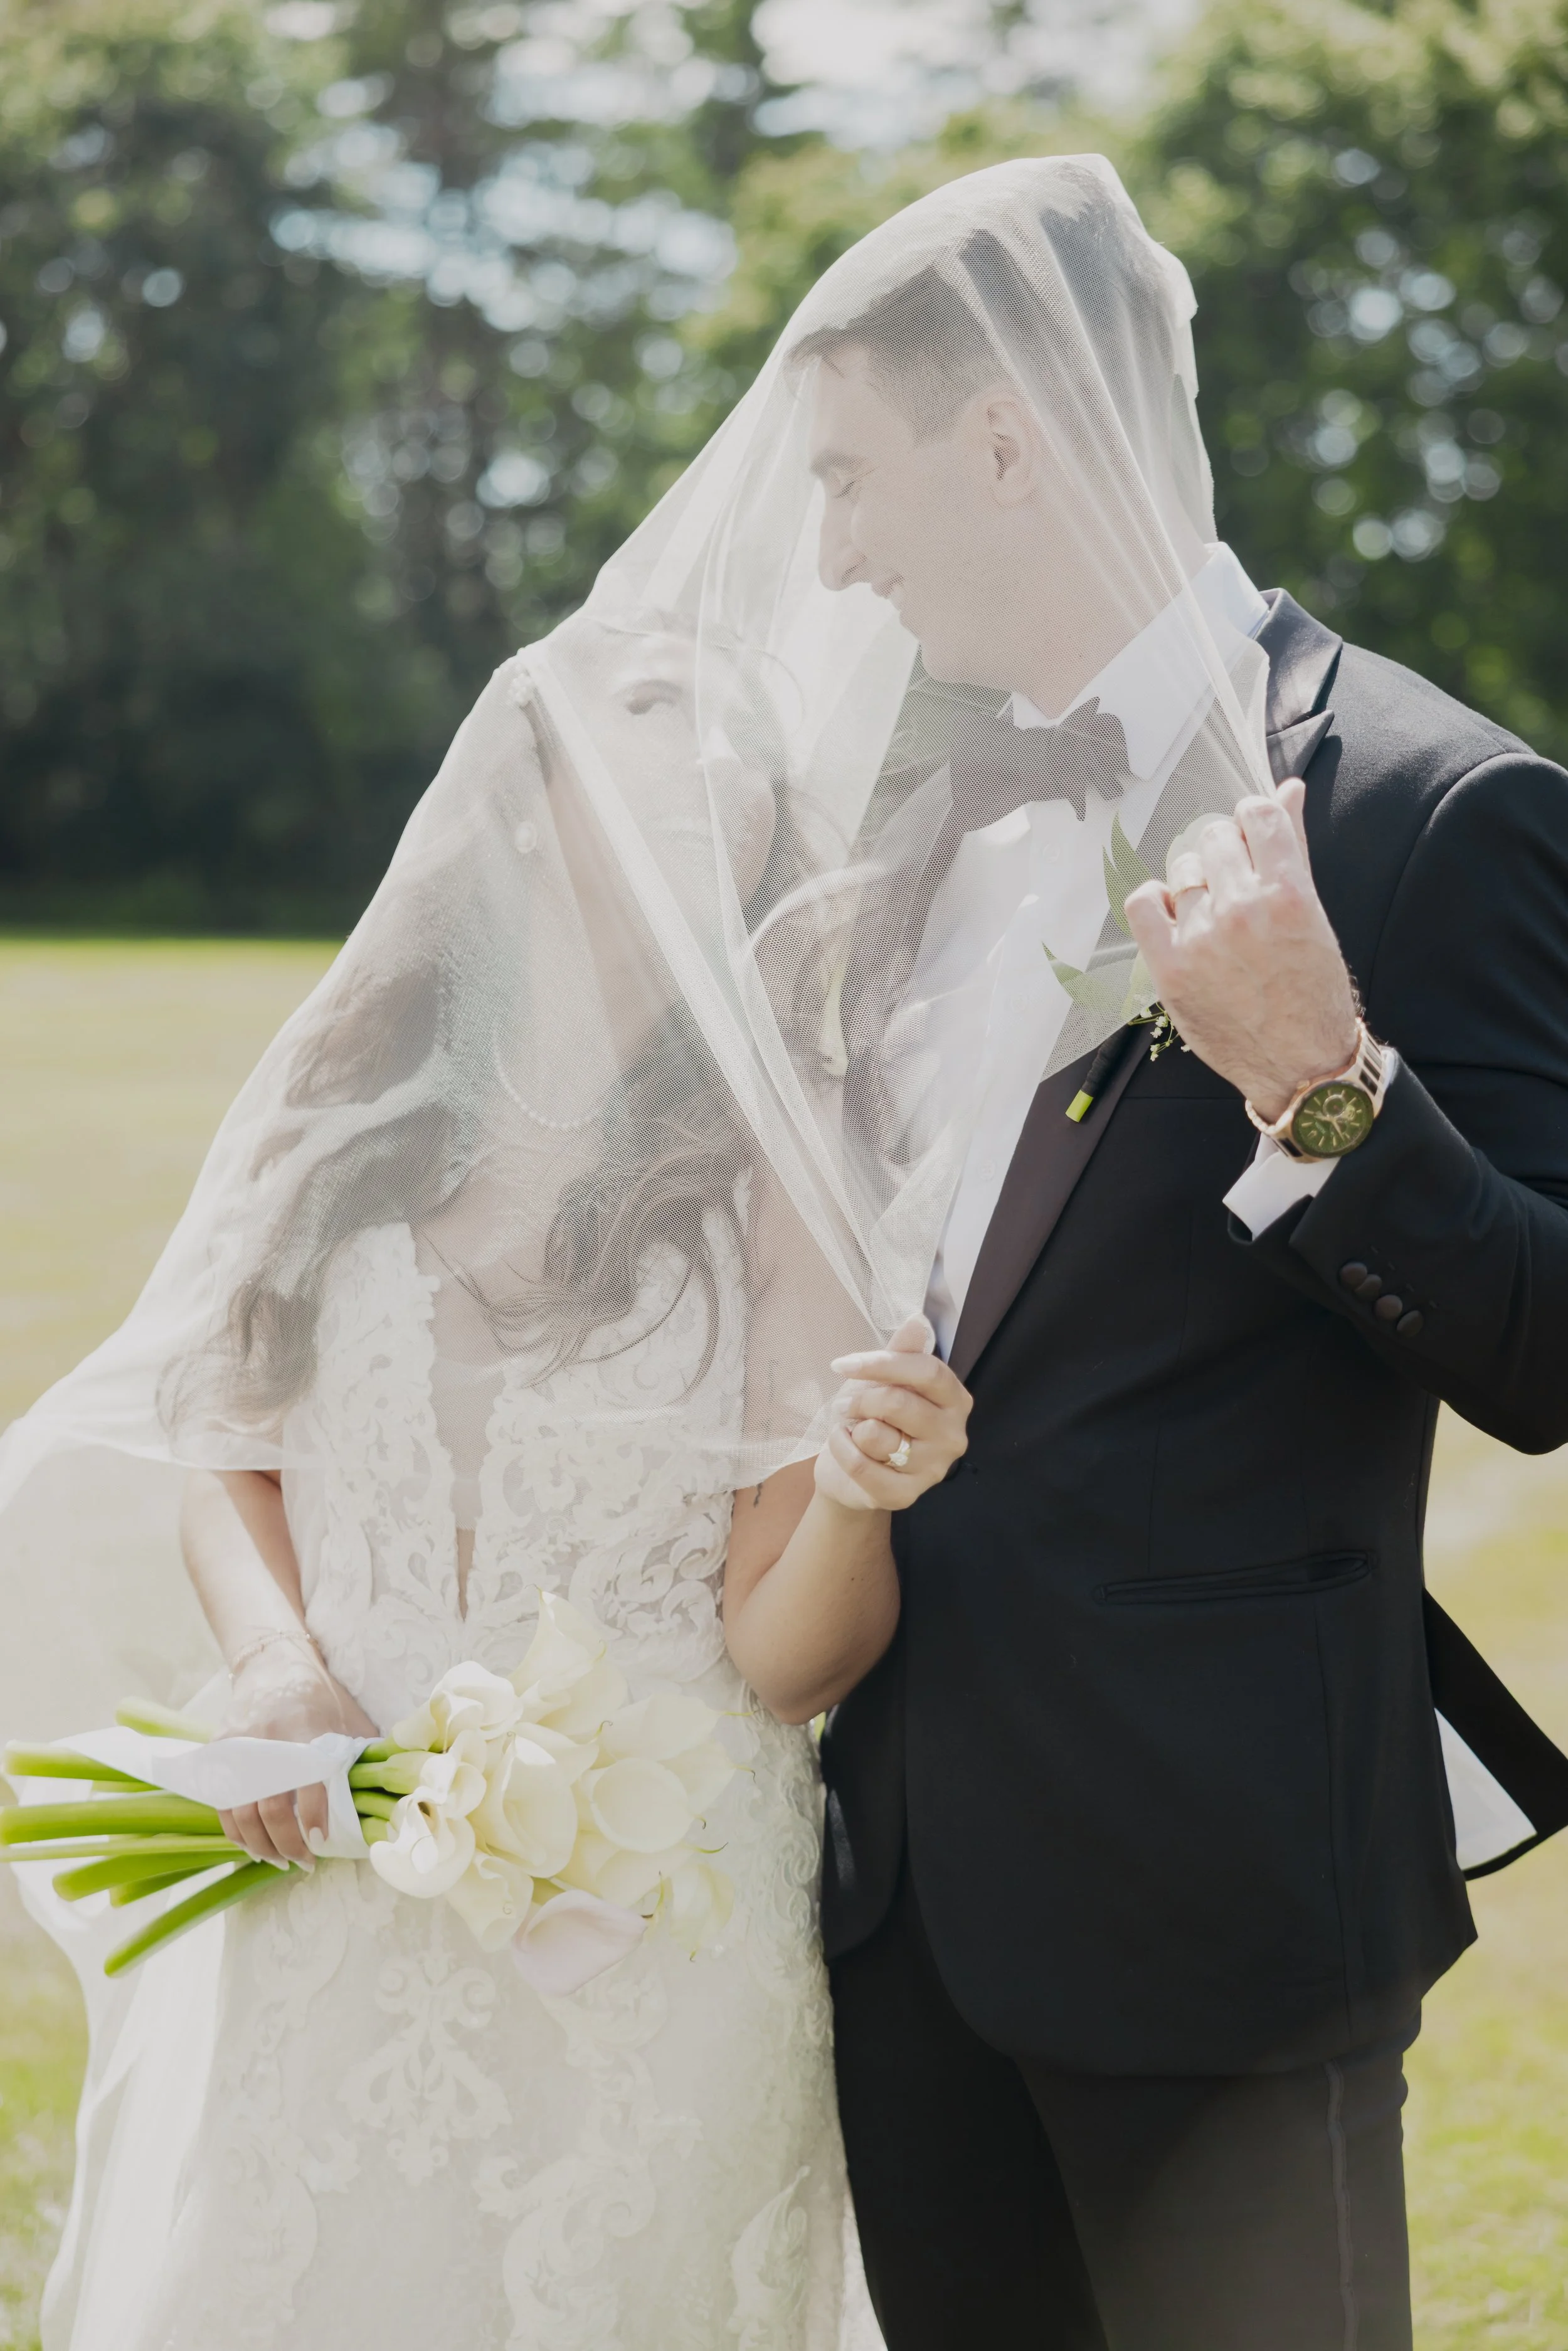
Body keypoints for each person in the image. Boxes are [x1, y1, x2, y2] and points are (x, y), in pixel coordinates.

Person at [724, 158, 1568, 2351]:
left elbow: (1548, 1347)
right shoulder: (919, 814)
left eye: (848, 477)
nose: (832, 549)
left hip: (1217, 1897)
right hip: (906, 1892)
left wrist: (1327, 1088)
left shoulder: (1426, 804)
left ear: (1004, 439)